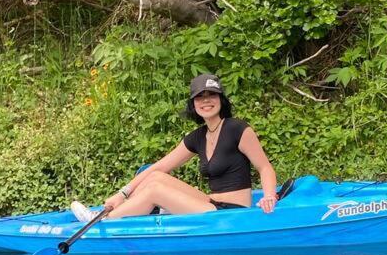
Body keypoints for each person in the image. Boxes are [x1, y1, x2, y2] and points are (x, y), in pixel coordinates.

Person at [71, 73, 278, 221]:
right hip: (210, 203)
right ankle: (120, 210)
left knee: (155, 190)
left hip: (232, 211)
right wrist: (121, 194)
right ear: (194, 105)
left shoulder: (237, 129)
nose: (206, 101)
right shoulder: (198, 137)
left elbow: (265, 168)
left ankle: (103, 221)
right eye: (200, 97)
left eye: (211, 95)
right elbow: (158, 168)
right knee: (155, 177)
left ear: (221, 100)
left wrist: (269, 196)